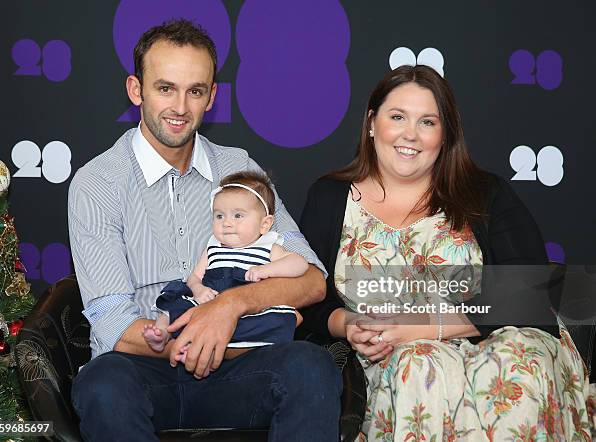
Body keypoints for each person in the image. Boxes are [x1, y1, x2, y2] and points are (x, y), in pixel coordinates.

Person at [68, 19, 341, 441]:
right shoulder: (97, 182)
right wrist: (194, 336)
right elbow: (112, 321)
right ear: (135, 90)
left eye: (195, 91)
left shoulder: (237, 167)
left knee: (310, 367)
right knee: (102, 384)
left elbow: (311, 280)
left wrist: (228, 308)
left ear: (212, 97)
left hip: (236, 370)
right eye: (165, 88)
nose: (180, 107)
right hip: (143, 370)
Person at [297, 65, 592, 440]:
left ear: (445, 135)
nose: (410, 135)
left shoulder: (485, 192)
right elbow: (309, 298)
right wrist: (349, 325)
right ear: (372, 123)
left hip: (500, 338)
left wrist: (421, 326)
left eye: (427, 122)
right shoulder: (330, 197)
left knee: (517, 365)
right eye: (398, 117)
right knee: (417, 366)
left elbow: (529, 287)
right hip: (398, 357)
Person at [143, 170, 307, 357]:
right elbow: (194, 277)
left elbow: (299, 263)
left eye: (238, 216)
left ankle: (210, 347)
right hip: (209, 299)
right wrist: (198, 290)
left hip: (245, 306)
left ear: (264, 224)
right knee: (175, 303)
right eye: (219, 216)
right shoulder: (213, 247)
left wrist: (266, 269)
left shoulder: (268, 247)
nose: (226, 223)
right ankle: (162, 334)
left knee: (282, 318)